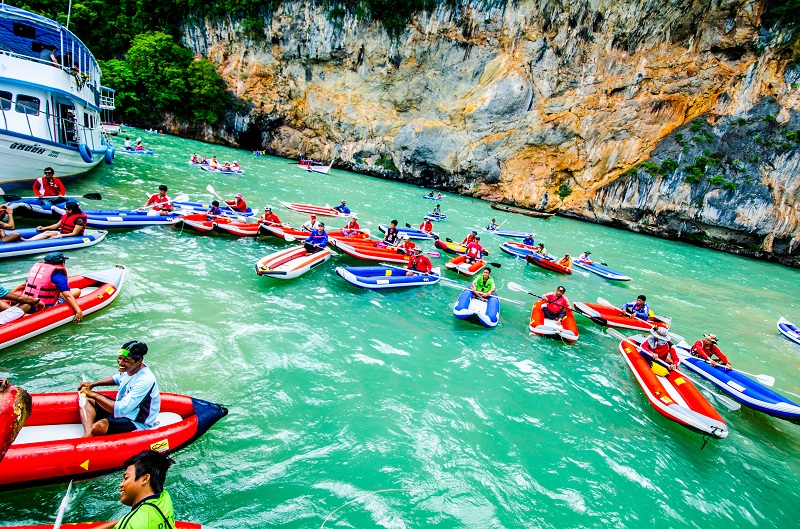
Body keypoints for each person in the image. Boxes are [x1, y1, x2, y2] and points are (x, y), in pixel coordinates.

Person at [78, 341, 161, 437]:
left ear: (139, 361)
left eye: (126, 360)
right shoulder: (130, 369)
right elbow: (117, 378)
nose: (120, 363)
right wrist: (93, 384)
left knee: (98, 427)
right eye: (120, 358)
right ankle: (88, 434)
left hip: (136, 421)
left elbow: (121, 409)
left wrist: (93, 394)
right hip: (123, 410)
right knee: (87, 400)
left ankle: (90, 434)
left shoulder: (145, 380)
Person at [91, 450, 176, 529]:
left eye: (126, 478)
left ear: (145, 479)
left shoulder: (130, 525)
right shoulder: (164, 497)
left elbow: (132, 523)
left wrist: (126, 522)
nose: (121, 484)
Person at [17, 252, 82, 322]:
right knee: (77, 291)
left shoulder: (37, 272)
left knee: (74, 291)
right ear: (62, 262)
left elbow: (24, 284)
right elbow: (68, 296)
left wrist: (13, 292)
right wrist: (78, 311)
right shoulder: (58, 276)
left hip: (27, 302)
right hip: (43, 306)